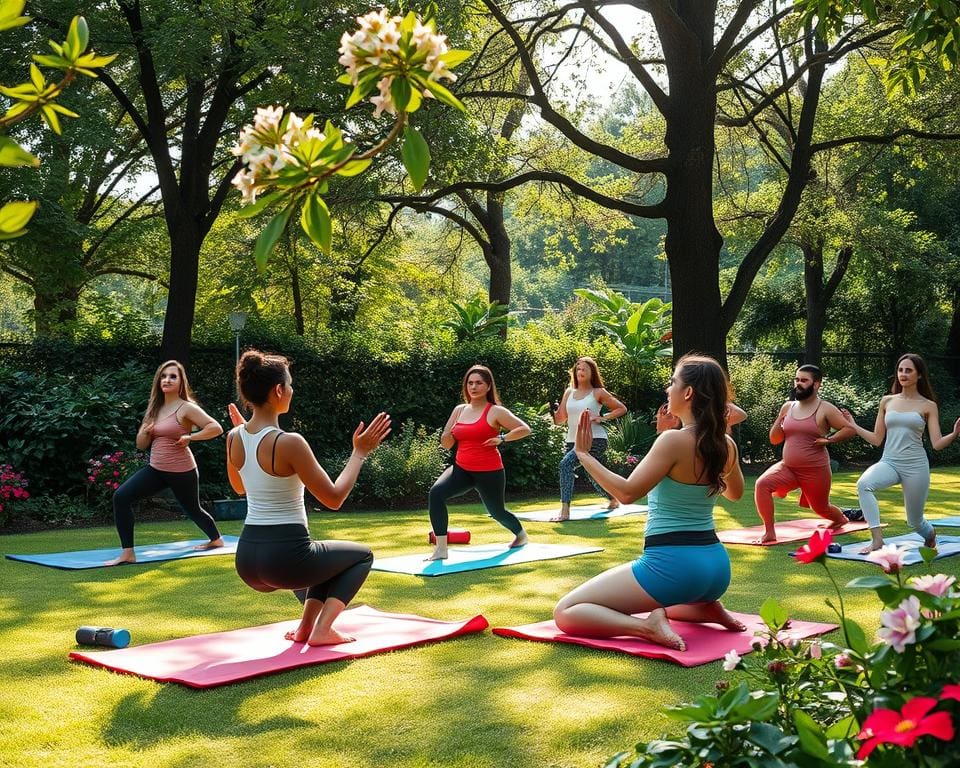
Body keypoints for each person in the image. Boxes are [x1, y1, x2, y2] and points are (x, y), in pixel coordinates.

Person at [553, 355, 745, 651]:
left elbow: (628, 493)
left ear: (688, 393)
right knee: (667, 596)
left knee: (567, 612)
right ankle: (705, 608)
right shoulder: (725, 443)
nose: (668, 389)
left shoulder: (673, 442)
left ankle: (645, 626)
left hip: (674, 568)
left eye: (673, 382)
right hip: (716, 569)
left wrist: (585, 456)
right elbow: (735, 494)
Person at [226, 350, 391, 646]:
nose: (292, 390)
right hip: (284, 561)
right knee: (362, 556)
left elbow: (240, 488)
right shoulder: (289, 443)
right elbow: (335, 499)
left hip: (248, 560)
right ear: (278, 391)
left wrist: (242, 434)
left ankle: (305, 629)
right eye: (289, 385)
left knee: (324, 560)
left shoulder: (233, 437)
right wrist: (360, 452)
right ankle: (323, 630)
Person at [106, 360, 224, 566]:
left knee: (193, 509)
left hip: (182, 471)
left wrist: (191, 437)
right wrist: (144, 432)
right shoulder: (154, 408)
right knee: (121, 497)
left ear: (181, 382)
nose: (167, 379)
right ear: (158, 381)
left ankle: (216, 540)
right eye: (164, 376)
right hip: (156, 469)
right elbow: (141, 445)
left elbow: (216, 427)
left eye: (173, 376)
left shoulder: (186, 408)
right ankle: (128, 553)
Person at [841, 353, 960, 553]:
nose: (903, 374)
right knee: (864, 484)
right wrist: (854, 426)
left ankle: (930, 534)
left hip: (915, 466)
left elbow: (937, 443)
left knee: (914, 522)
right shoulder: (887, 401)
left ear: (919, 375)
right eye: (900, 370)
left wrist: (955, 434)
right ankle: (877, 540)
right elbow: (877, 439)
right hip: (889, 462)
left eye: (908, 370)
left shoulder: (928, 405)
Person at [427, 365, 532, 561]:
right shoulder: (459, 410)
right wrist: (446, 436)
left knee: (496, 511)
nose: (473, 387)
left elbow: (524, 429)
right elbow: (446, 443)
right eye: (470, 383)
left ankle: (521, 535)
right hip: (461, 469)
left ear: (488, 386)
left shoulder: (495, 411)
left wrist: (502, 438)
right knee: (436, 493)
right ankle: (441, 549)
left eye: (479, 383)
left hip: (489, 471)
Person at [753, 364, 854, 544]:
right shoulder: (788, 407)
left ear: (816, 384)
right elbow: (775, 439)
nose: (798, 384)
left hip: (815, 470)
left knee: (821, 508)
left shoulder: (825, 408)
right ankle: (769, 532)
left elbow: (849, 429)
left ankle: (840, 519)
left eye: (804, 380)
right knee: (762, 484)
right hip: (789, 467)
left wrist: (829, 440)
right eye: (797, 379)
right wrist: (779, 421)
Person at [551, 357, 627, 521]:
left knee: (565, 464)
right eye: (578, 369)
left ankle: (565, 510)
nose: (580, 371)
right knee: (592, 474)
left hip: (595, 439)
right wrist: (554, 412)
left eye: (584, 368)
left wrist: (601, 417)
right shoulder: (569, 392)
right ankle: (613, 498)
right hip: (573, 440)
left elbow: (621, 408)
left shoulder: (598, 392)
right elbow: (560, 419)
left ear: (592, 372)